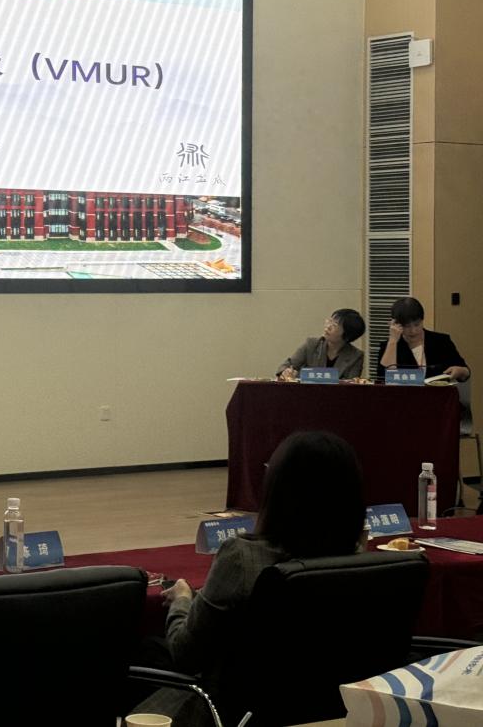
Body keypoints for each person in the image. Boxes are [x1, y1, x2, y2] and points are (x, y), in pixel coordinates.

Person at [134, 431, 366, 725]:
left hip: (234, 710)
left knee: (141, 651)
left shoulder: (241, 558)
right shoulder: (363, 563)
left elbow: (185, 654)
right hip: (333, 711)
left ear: (278, 492)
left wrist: (181, 600)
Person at [375, 296, 470, 382]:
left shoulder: (441, 341)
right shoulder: (390, 346)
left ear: (422, 320)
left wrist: (460, 371)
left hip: (437, 394)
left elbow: (466, 372)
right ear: (396, 324)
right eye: (407, 326)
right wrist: (393, 340)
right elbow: (383, 378)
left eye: (417, 324)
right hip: (403, 395)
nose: (413, 331)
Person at [276, 308, 366, 380]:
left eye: (334, 325)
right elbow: (286, 366)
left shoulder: (355, 356)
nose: (328, 327)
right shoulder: (311, 344)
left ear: (347, 336)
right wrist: (286, 372)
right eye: (329, 321)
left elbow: (351, 386)